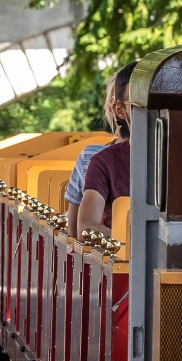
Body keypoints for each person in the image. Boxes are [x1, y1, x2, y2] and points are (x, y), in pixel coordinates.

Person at [72, 67, 133, 238]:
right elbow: (84, 227)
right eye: (142, 103)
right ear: (119, 110)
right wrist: (135, 244)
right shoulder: (103, 161)